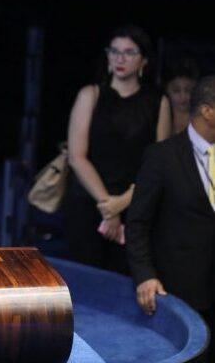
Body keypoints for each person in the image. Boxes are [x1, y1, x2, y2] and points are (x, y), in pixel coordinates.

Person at [62, 25, 171, 274]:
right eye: (114, 51)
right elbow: (77, 157)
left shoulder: (158, 102)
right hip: (88, 201)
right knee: (84, 277)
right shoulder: (90, 95)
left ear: (144, 60)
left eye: (129, 52)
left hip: (135, 203)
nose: (120, 58)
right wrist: (108, 207)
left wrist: (122, 203)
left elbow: (159, 163)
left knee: (127, 278)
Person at [126, 76, 215, 361]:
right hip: (181, 291)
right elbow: (137, 222)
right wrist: (145, 275)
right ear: (207, 111)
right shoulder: (162, 157)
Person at [163, 58, 199, 135]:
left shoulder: (202, 122)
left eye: (188, 90)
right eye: (176, 90)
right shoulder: (157, 120)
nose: (183, 96)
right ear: (167, 91)